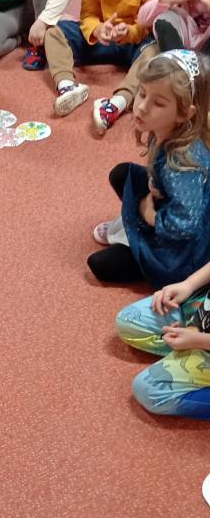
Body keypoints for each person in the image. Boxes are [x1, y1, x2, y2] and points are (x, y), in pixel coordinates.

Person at [88, 49, 210, 287]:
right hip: (174, 201)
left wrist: (149, 215)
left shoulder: (181, 163)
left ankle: (139, 237)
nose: (142, 107)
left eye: (158, 103)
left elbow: (185, 224)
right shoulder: (163, 129)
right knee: (122, 174)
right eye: (142, 94)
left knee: (100, 265)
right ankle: (133, 228)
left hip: (187, 245)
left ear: (184, 113)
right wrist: (155, 186)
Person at [93, 0, 210, 137]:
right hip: (174, 57)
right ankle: (119, 102)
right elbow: (143, 18)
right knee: (152, 48)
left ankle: (194, 100)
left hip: (205, 65)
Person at [115, 259, 210, 420]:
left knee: (149, 391)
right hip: (202, 313)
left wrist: (199, 340)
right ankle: (186, 348)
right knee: (128, 320)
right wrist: (189, 284)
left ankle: (190, 350)